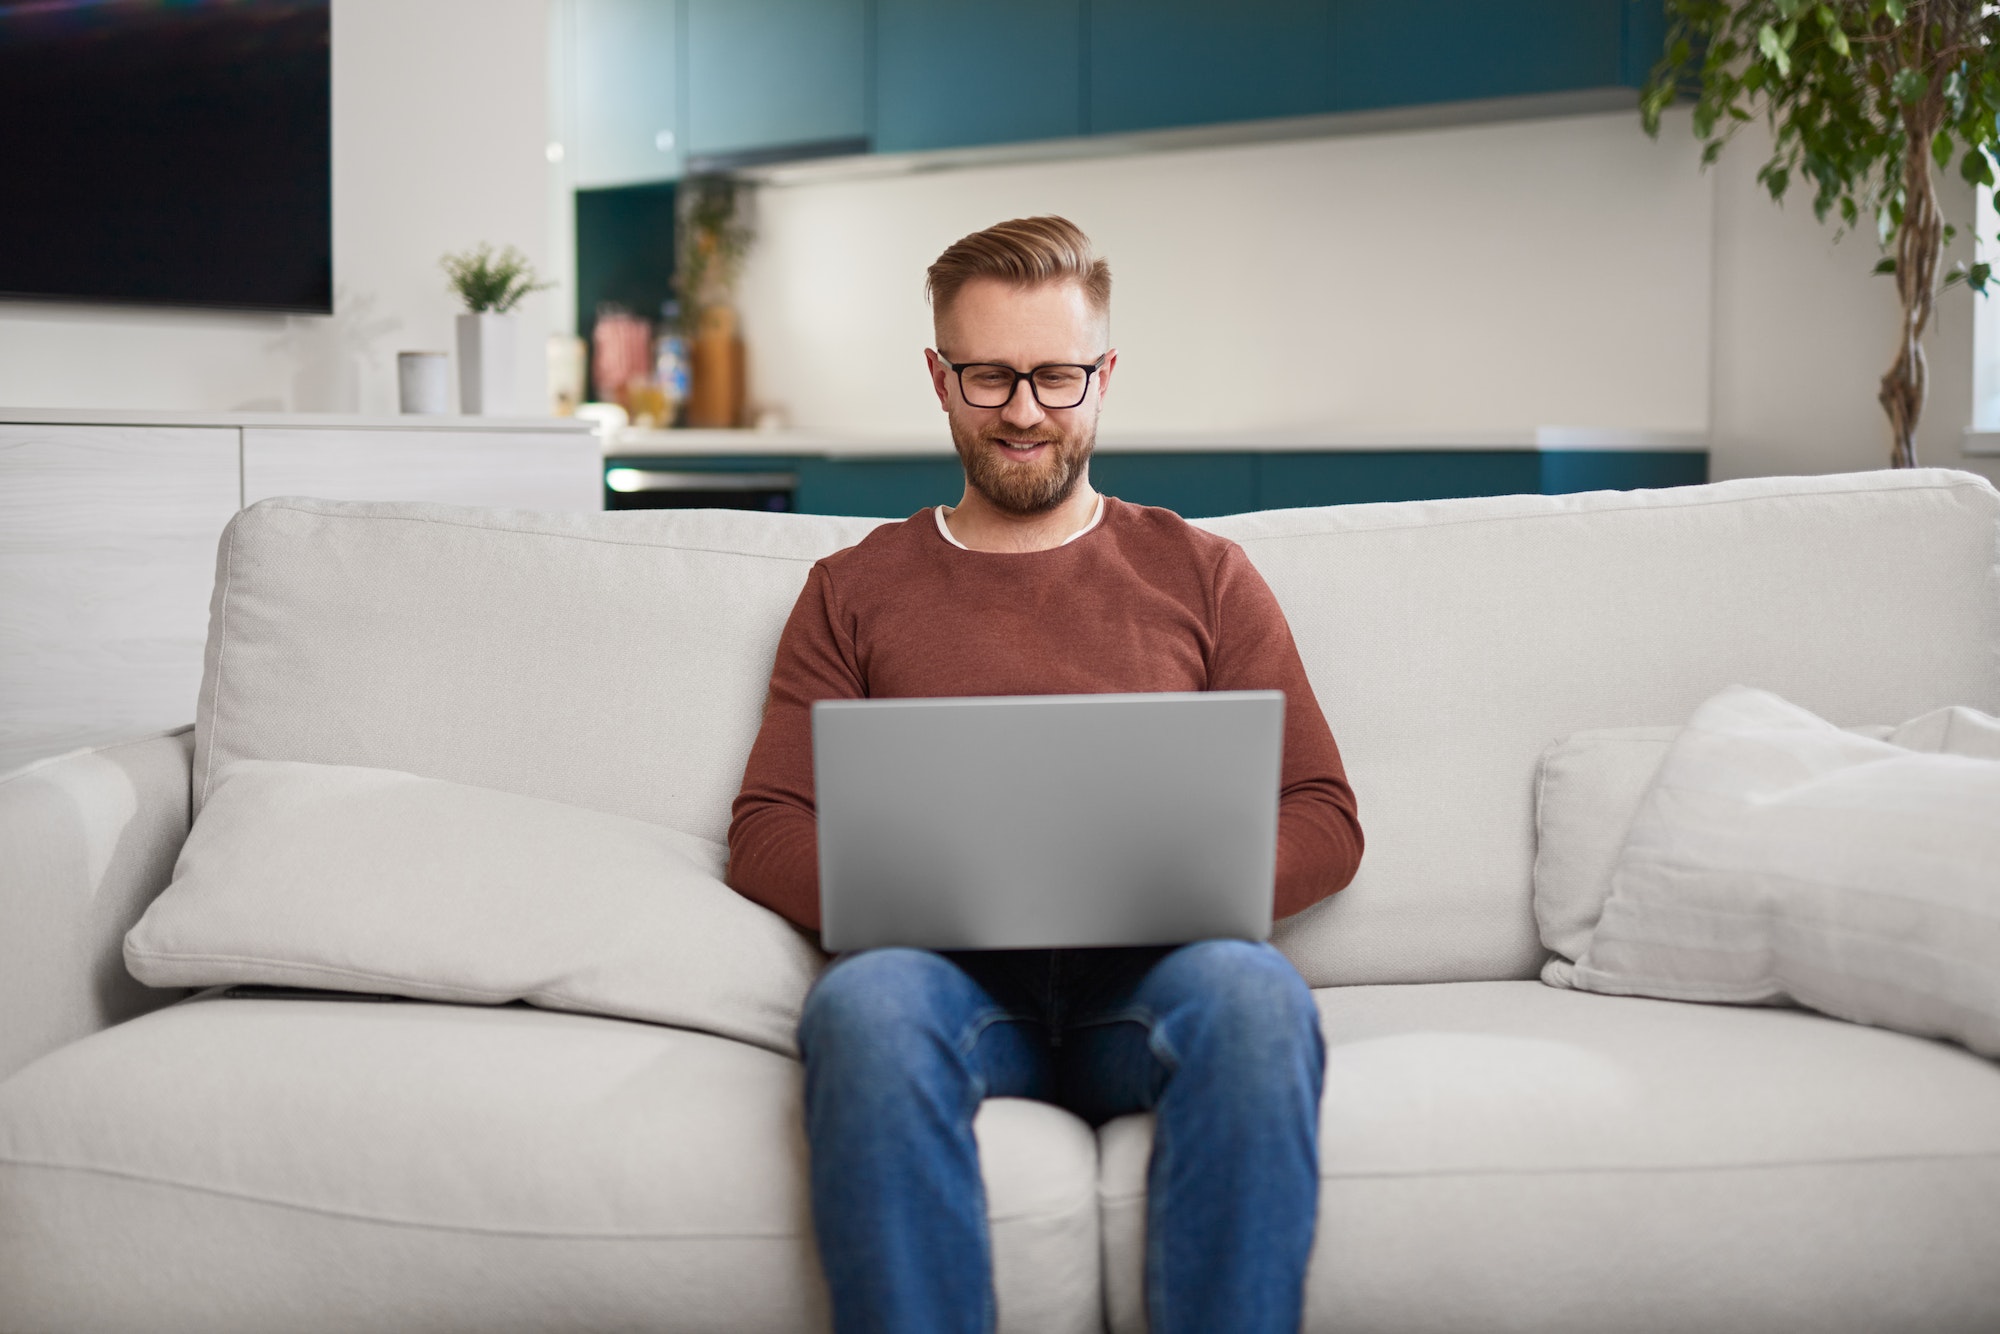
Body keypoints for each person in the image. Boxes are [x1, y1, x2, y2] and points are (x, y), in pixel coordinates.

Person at [727, 215, 1364, 1334]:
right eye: (988, 377)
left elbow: (1323, 812)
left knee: (1257, 997)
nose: (1023, 410)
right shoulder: (852, 587)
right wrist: (916, 893)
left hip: (1153, 985)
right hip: (953, 990)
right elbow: (768, 823)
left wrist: (1191, 876)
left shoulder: (1203, 573)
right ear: (938, 377)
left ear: (1103, 375)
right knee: (863, 1004)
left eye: (1056, 376)